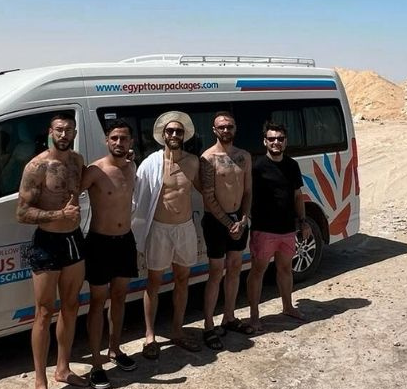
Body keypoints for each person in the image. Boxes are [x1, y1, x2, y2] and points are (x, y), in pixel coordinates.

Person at [15, 113, 87, 389]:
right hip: (47, 242)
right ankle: (40, 382)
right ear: (50, 132)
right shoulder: (37, 167)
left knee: (71, 307)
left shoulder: (78, 162)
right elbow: (22, 212)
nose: (64, 134)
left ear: (75, 133)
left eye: (69, 130)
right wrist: (59, 215)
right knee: (44, 312)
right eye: (59, 130)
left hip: (73, 240)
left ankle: (63, 368)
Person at [132, 111, 202, 358]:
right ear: (163, 135)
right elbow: (136, 195)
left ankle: (177, 330)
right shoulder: (151, 163)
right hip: (159, 229)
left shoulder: (193, 162)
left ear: (184, 135)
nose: (174, 134)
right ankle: (150, 335)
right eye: (170, 131)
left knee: (182, 279)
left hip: (184, 228)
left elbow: (208, 190)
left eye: (178, 131)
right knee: (154, 282)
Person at [78, 119, 138, 389]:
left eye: (123, 138)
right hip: (100, 243)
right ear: (106, 140)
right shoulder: (95, 170)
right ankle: (96, 364)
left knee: (120, 297)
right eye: (114, 138)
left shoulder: (131, 167)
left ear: (131, 142)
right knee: (97, 302)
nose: (118, 143)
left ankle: (115, 349)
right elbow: (70, 194)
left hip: (125, 240)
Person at [246, 121, 313, 330]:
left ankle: (288, 307)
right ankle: (254, 316)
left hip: (287, 229)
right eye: (272, 139)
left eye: (280, 139)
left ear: (286, 142)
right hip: (263, 229)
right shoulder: (256, 167)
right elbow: (247, 196)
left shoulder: (292, 165)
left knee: (285, 269)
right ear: (264, 141)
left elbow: (297, 195)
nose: (276, 142)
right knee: (258, 271)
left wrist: (303, 221)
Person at [199, 111, 253, 349]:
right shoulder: (208, 158)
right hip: (216, 222)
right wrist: (229, 223)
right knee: (215, 272)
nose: (226, 130)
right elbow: (208, 196)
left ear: (235, 128)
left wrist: (244, 219)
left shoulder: (244, 156)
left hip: (239, 219)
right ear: (214, 130)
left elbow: (248, 191)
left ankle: (229, 317)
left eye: (229, 126)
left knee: (235, 268)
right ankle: (208, 325)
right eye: (221, 127)